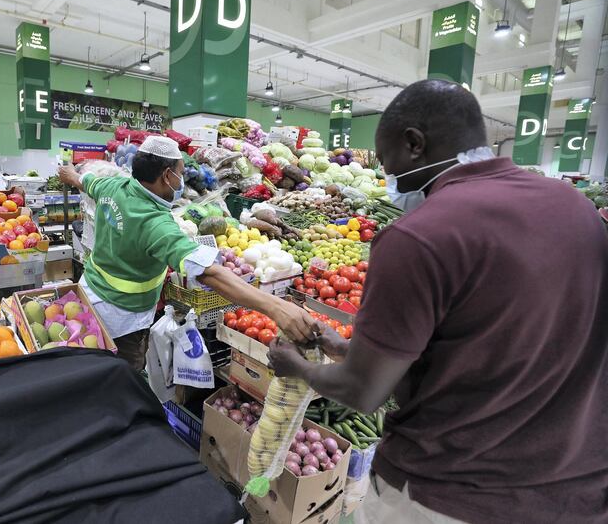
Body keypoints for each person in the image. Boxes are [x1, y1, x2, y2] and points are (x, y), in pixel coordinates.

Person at [268, 80, 608, 524]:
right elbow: (481, 344)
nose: (390, 181)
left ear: (414, 144)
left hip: (449, 494)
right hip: (575, 491)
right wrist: (343, 347)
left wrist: (297, 367)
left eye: (388, 165)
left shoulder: (418, 237)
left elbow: (363, 392)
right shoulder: (576, 207)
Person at [59, 135, 316, 370]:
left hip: (89, 294)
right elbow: (210, 274)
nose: (181, 180)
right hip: (123, 318)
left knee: (91, 363)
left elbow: (82, 181)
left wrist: (68, 172)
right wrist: (276, 307)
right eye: (180, 174)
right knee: (121, 376)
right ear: (167, 176)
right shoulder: (156, 224)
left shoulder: (113, 186)